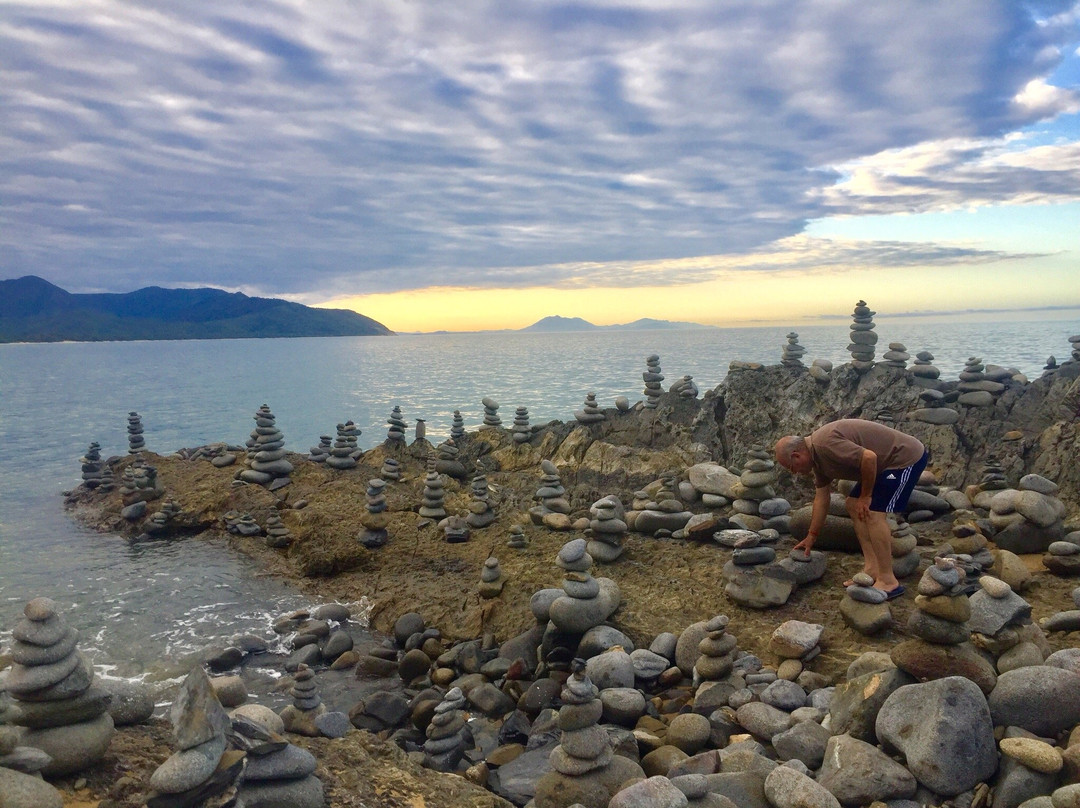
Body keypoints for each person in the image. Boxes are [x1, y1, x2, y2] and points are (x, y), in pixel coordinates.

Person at [773, 419, 929, 599]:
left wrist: (866, 496)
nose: (795, 473)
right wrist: (811, 536)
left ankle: (888, 581)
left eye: (792, 468)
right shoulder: (817, 460)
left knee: (872, 511)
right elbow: (822, 498)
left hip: (904, 459)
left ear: (796, 455)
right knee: (852, 504)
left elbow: (869, 457)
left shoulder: (825, 444)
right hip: (883, 465)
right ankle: (872, 570)